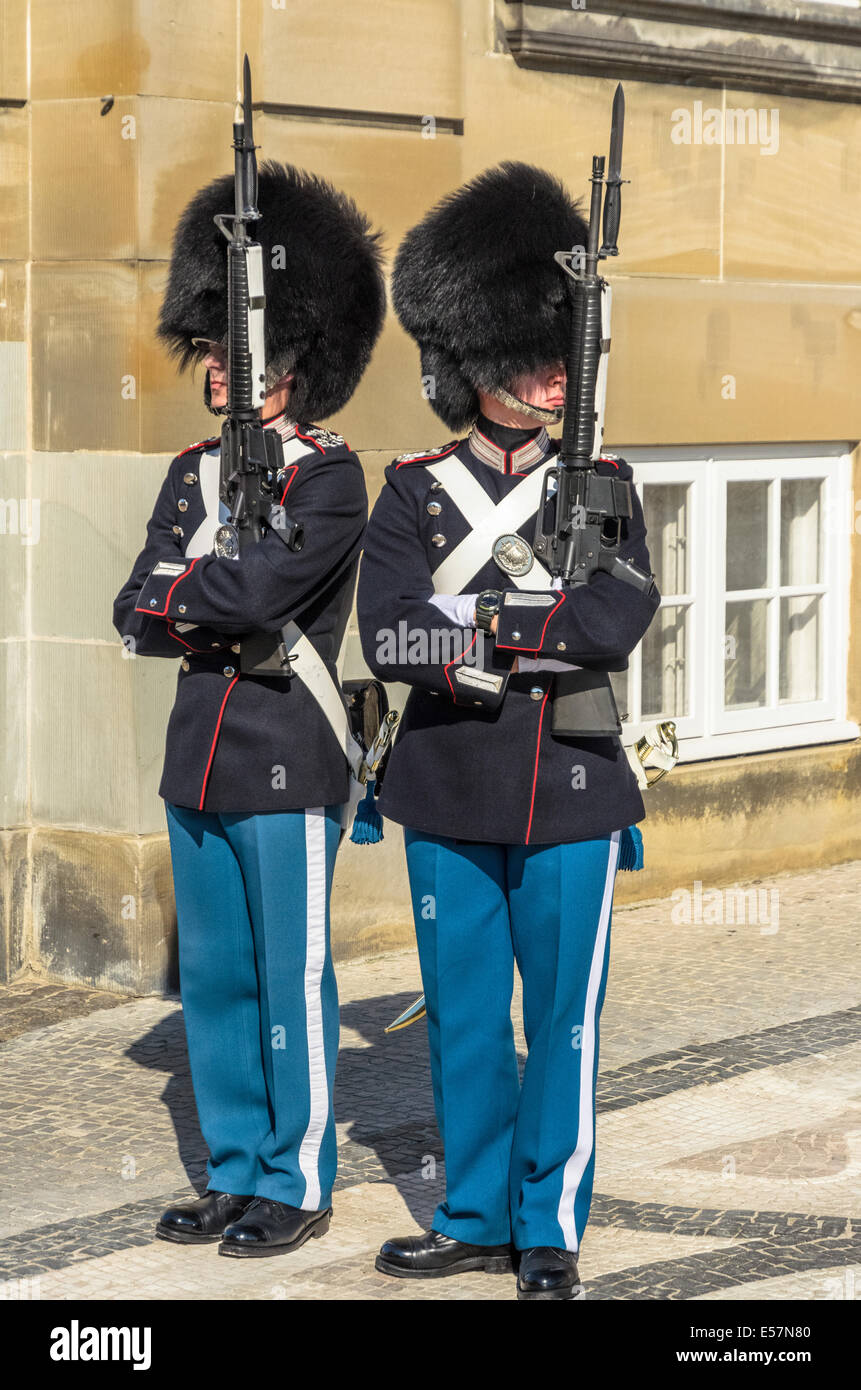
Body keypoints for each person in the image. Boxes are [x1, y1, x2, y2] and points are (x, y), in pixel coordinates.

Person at [356, 162, 660, 1299]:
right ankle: (476, 1210)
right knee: (469, 1024)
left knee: (564, 1028)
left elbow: (617, 616)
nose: (550, 370)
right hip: (445, 789)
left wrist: (473, 625)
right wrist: (524, 624)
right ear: (478, 365)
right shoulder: (416, 490)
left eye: (557, 352)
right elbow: (386, 635)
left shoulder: (608, 483)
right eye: (530, 354)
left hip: (573, 790)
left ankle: (550, 1224)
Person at [113, 162, 385, 1258]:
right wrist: (189, 599)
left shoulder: (331, 475)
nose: (229, 370)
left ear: (298, 367)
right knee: (216, 981)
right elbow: (133, 610)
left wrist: (187, 597)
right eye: (220, 351)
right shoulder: (189, 474)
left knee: (289, 975)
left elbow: (259, 592)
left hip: (290, 754)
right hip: (201, 759)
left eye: (253, 355)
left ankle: (297, 1173)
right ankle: (234, 1168)